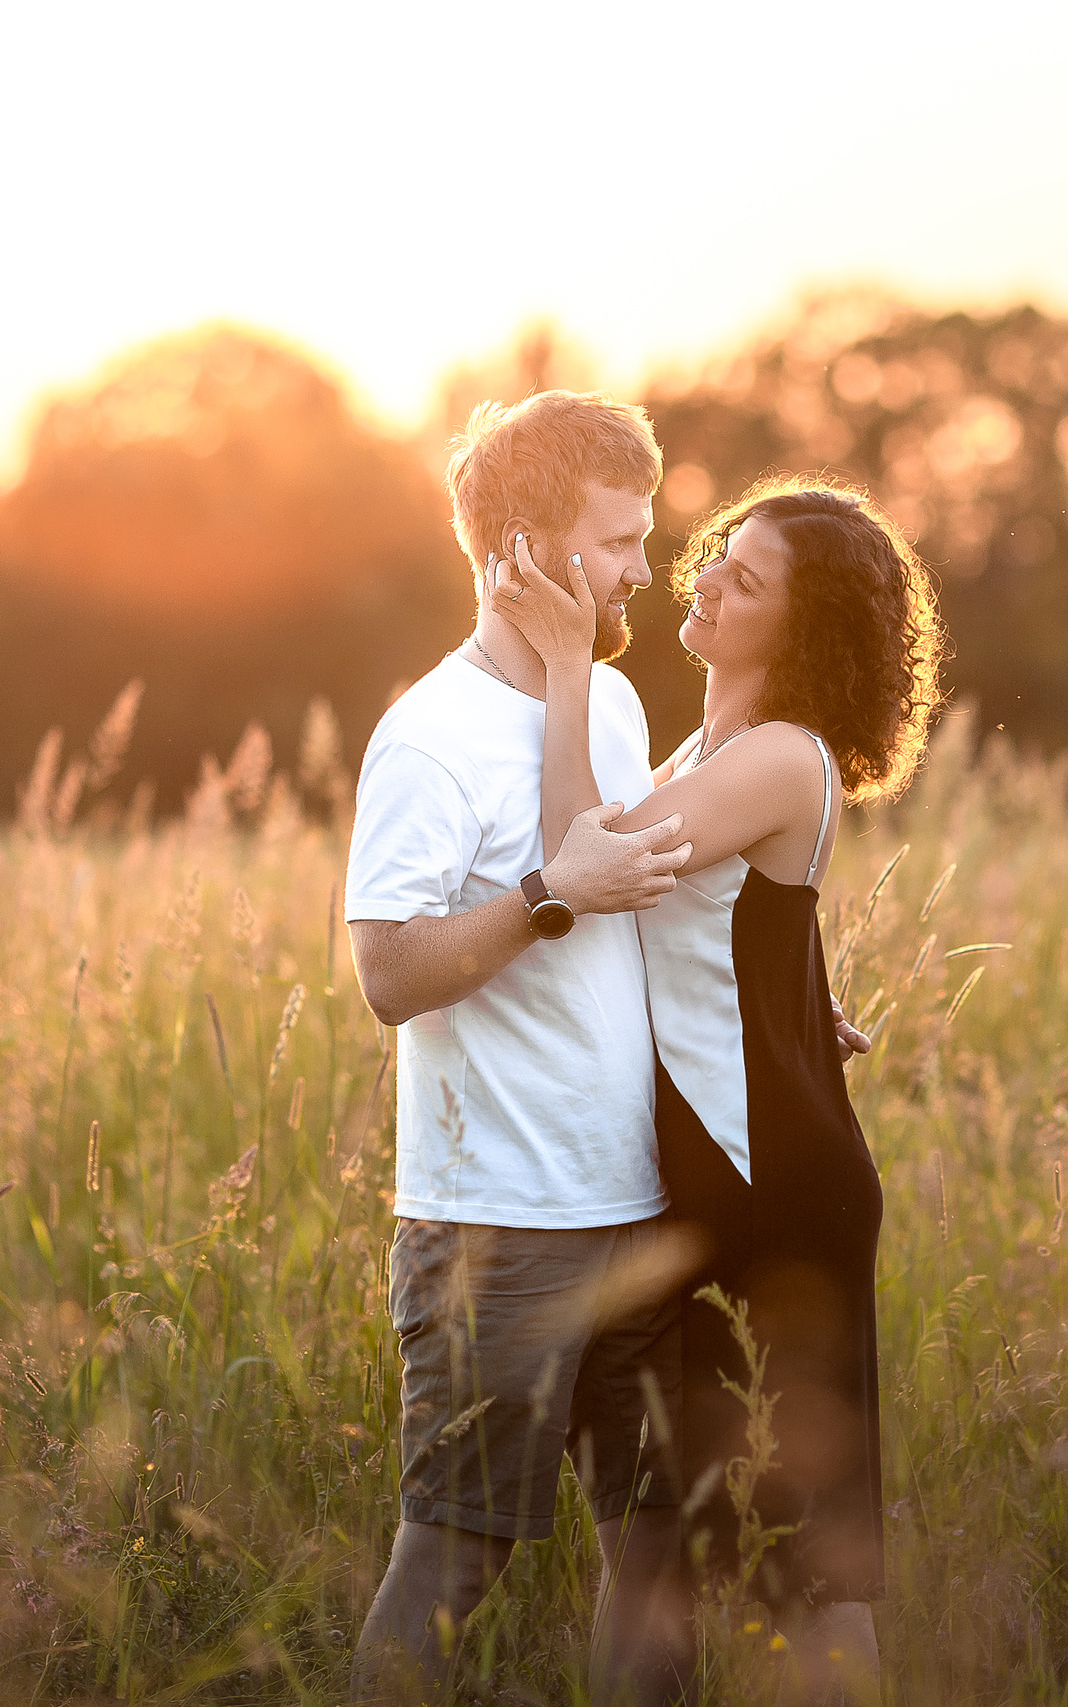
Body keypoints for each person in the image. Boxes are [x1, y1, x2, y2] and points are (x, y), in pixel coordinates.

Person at [490, 476, 944, 1700]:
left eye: (746, 582)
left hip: (770, 1196)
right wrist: (805, 1005)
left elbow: (588, 868)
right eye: (718, 558)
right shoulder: (709, 752)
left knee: (806, 1564)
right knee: (672, 1539)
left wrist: (570, 665)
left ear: (798, 633)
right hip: (710, 1183)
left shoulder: (785, 758)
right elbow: (731, 934)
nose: (707, 584)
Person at [344, 390, 699, 1705]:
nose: (643, 571)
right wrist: (546, 892)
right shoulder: (427, 737)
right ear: (527, 550)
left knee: (660, 1548)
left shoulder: (603, 703)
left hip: (635, 1208)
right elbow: (387, 972)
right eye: (618, 542)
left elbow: (632, 918)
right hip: (496, 1225)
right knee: (455, 1558)